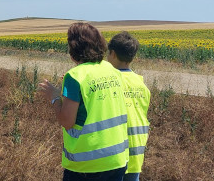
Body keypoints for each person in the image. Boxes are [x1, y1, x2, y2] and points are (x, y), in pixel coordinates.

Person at [38, 22, 129, 181]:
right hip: (117, 159)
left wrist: (54, 97)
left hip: (87, 165)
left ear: (73, 49)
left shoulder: (74, 76)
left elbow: (67, 121)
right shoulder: (112, 70)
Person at [106, 31, 150, 181]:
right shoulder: (141, 84)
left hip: (115, 155)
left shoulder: (110, 82)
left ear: (112, 53)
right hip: (136, 154)